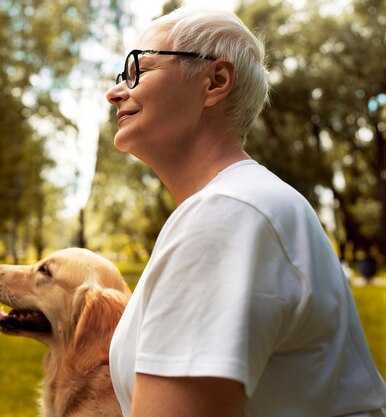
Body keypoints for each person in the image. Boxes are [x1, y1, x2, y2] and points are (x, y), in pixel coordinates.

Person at [105, 5, 386, 417]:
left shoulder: (227, 214)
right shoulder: (241, 205)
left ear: (215, 81)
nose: (115, 92)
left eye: (139, 70)